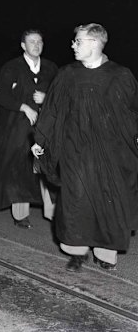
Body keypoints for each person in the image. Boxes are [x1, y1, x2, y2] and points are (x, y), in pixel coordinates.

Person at [32, 23, 138, 272]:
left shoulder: (120, 75)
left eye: (77, 41)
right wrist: (40, 139)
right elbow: (52, 110)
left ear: (94, 43)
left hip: (112, 153)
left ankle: (105, 254)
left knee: (109, 200)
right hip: (75, 150)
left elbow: (133, 112)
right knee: (75, 200)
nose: (73, 45)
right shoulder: (67, 74)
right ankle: (76, 251)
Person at [0, 29, 58, 228]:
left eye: (39, 41)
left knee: (48, 166)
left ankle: (54, 214)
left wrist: (46, 99)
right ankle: (21, 215)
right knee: (19, 167)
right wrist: (23, 106)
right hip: (18, 127)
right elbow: (0, 94)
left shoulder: (51, 68)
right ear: (23, 45)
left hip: (45, 127)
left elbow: (61, 94)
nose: (36, 45)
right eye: (32, 42)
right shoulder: (11, 68)